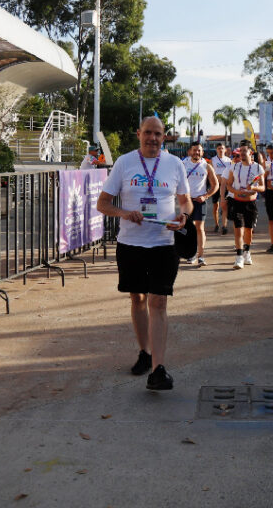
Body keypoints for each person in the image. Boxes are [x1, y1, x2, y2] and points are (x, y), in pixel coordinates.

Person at [96, 117, 192, 391]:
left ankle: (158, 369)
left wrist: (183, 216)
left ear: (164, 137)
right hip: (131, 243)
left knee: (158, 302)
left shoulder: (174, 164)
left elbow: (185, 200)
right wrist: (124, 212)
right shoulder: (124, 163)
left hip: (164, 243)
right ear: (138, 134)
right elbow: (103, 203)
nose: (152, 138)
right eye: (147, 133)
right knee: (137, 298)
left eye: (157, 134)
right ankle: (145, 352)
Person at [225, 142, 265, 269]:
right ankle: (239, 257)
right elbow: (229, 185)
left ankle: (247, 251)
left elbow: (263, 187)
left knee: (248, 230)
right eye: (240, 151)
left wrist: (253, 187)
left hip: (251, 203)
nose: (241, 153)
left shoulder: (258, 168)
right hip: (237, 203)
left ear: (251, 153)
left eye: (244, 151)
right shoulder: (234, 167)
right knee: (238, 230)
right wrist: (237, 192)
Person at [181, 141, 218, 266]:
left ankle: (201, 256)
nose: (196, 152)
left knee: (199, 228)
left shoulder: (206, 166)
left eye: (199, 150)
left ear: (202, 152)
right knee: (188, 229)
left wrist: (206, 196)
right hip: (186, 202)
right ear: (189, 151)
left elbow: (215, 185)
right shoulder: (183, 164)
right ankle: (191, 254)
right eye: (194, 150)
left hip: (199, 201)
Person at [209, 143, 232, 235]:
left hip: (225, 186)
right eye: (219, 148)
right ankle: (216, 224)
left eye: (222, 148)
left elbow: (231, 173)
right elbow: (210, 173)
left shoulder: (229, 160)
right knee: (216, 206)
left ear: (225, 150)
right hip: (216, 185)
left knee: (225, 206)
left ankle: (224, 226)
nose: (221, 150)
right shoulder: (213, 160)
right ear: (216, 150)